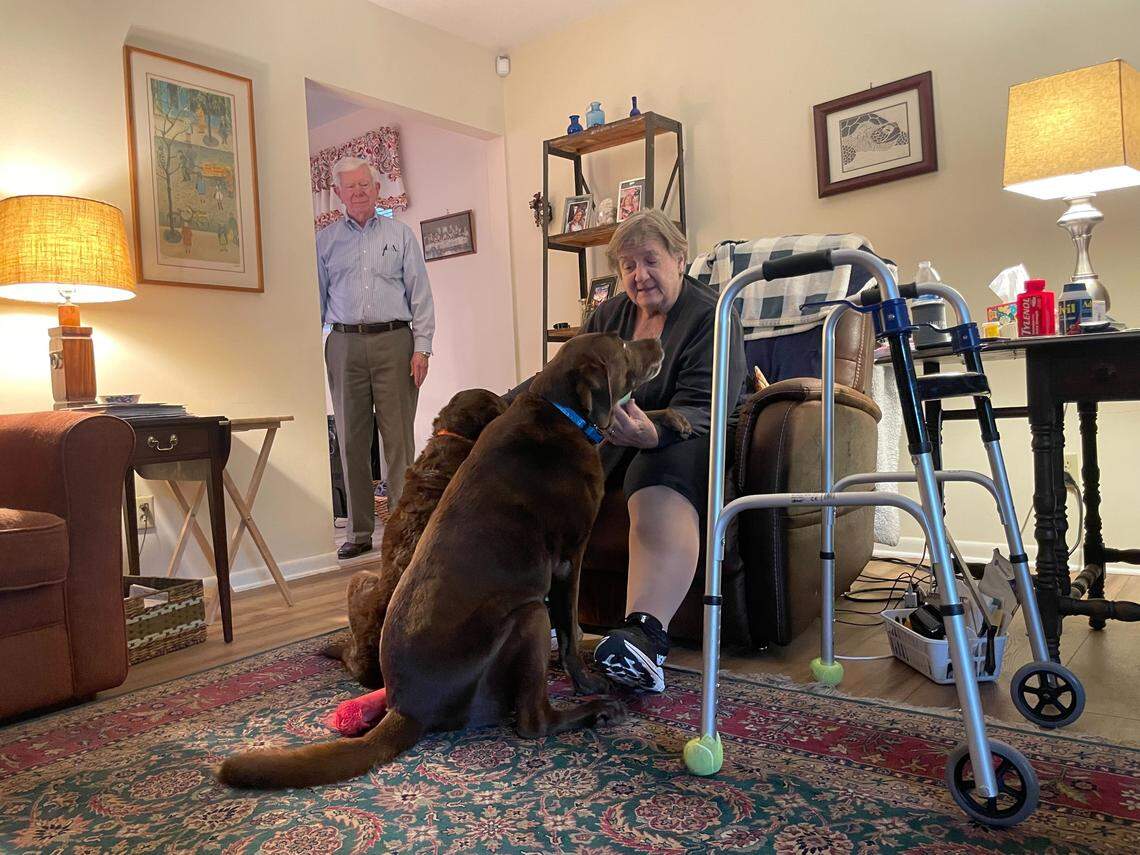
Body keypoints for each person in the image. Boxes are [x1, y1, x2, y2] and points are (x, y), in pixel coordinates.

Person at [586, 210, 746, 693]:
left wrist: (651, 433)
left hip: (687, 437)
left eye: (650, 260)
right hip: (613, 440)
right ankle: (532, 611)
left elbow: (705, 405)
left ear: (679, 259)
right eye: (628, 265)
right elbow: (571, 377)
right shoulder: (608, 316)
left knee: (654, 465)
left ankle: (645, 639)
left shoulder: (711, 314)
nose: (639, 275)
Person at [318, 156, 436, 560]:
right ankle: (359, 530)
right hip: (344, 344)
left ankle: (402, 532)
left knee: (398, 440)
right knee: (351, 438)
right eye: (350, 187)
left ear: (377, 188)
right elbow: (315, 301)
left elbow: (421, 295)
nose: (358, 192)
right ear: (338, 194)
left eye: (365, 185)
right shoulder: (325, 242)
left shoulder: (401, 235)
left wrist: (422, 347)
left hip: (395, 342)